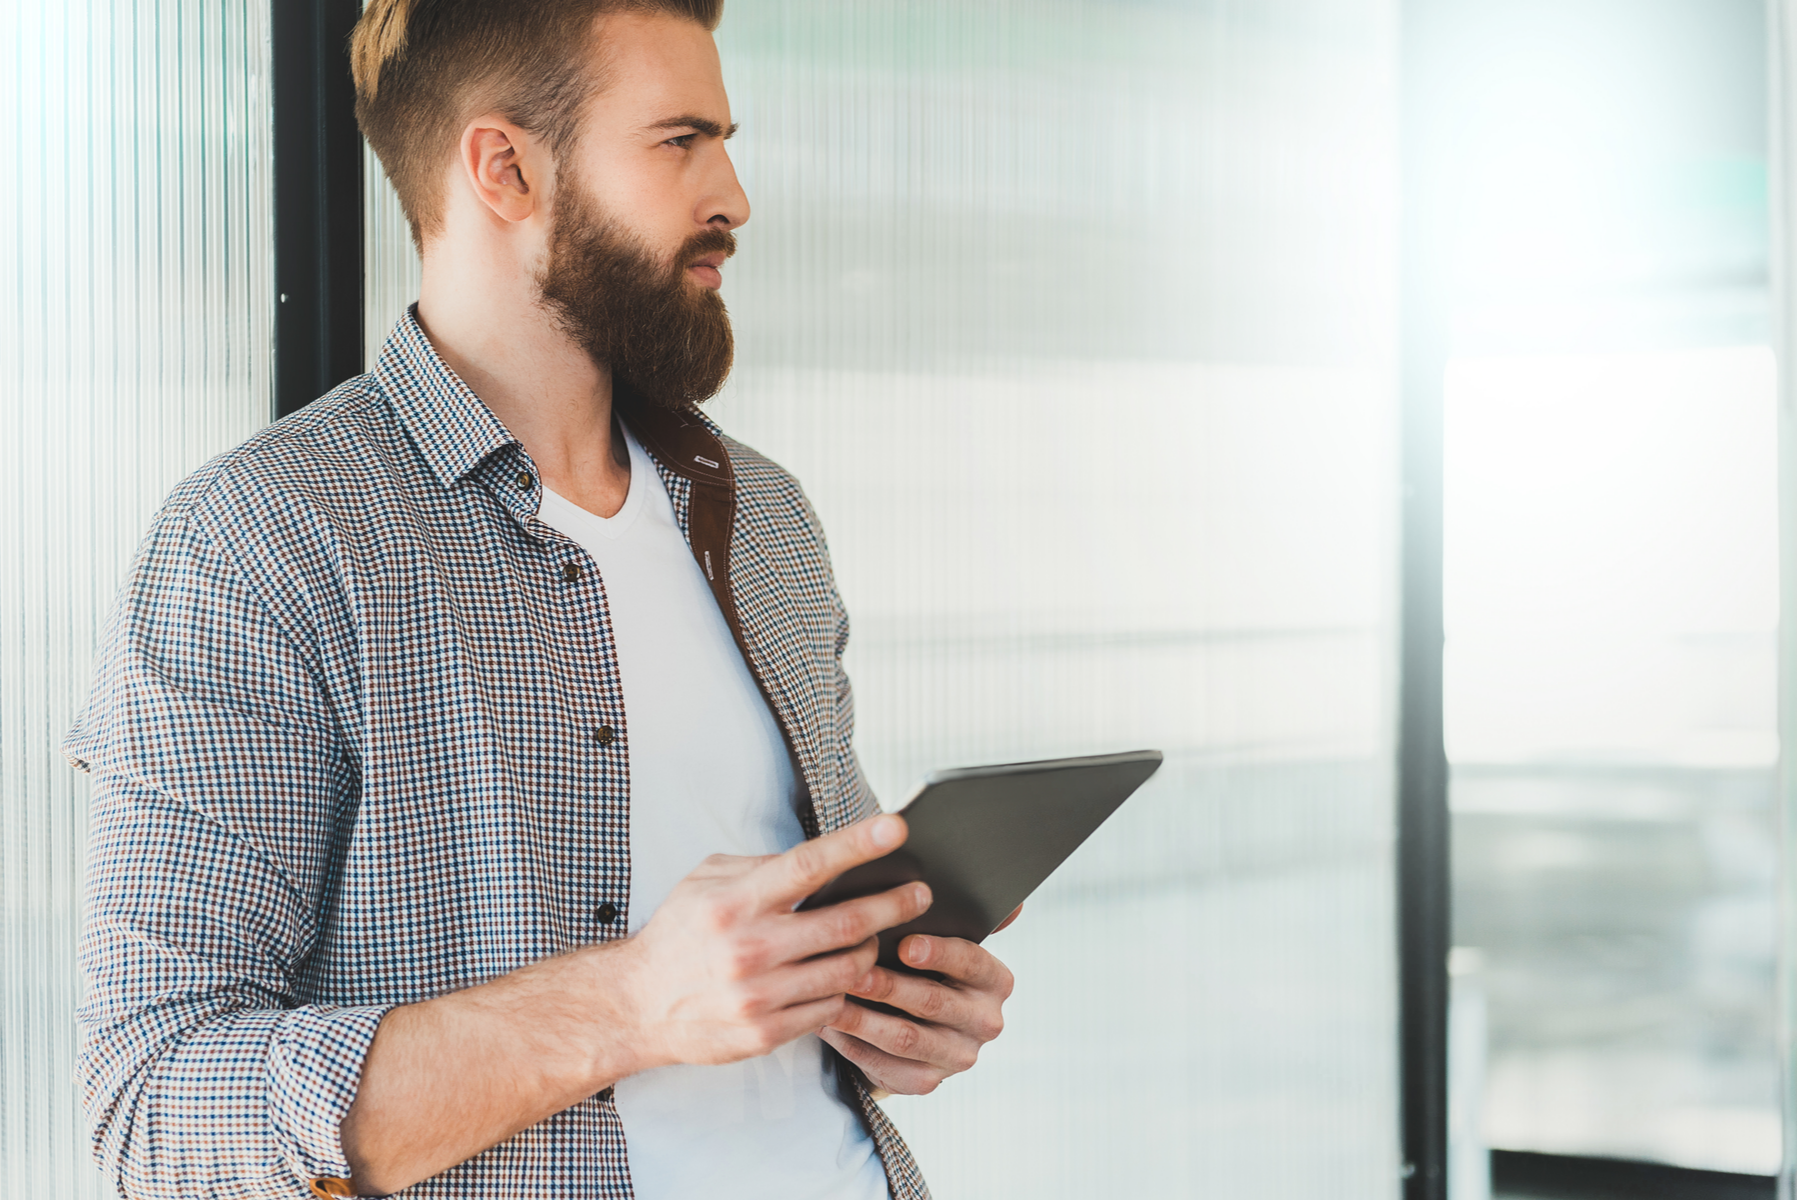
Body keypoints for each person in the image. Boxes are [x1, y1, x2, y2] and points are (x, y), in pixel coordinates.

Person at [63, 1, 1016, 1196]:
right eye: (679, 142)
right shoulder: (264, 541)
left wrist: (892, 1002)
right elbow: (155, 1106)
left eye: (724, 142)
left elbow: (784, 963)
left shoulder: (765, 518)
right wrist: (624, 1005)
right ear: (504, 168)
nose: (733, 197)